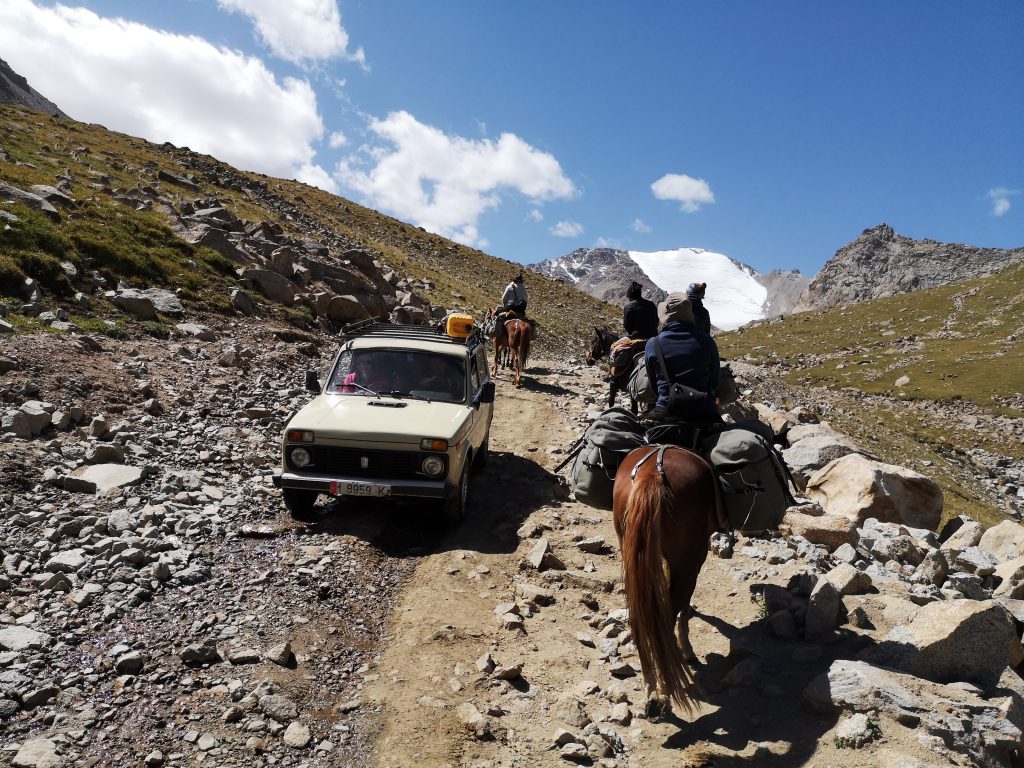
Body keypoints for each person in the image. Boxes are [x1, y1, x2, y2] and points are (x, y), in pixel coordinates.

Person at [642, 293, 721, 444]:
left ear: (666, 316)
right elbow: (714, 382)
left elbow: (653, 385)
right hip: (705, 413)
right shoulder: (707, 342)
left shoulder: (653, 343)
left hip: (665, 412)